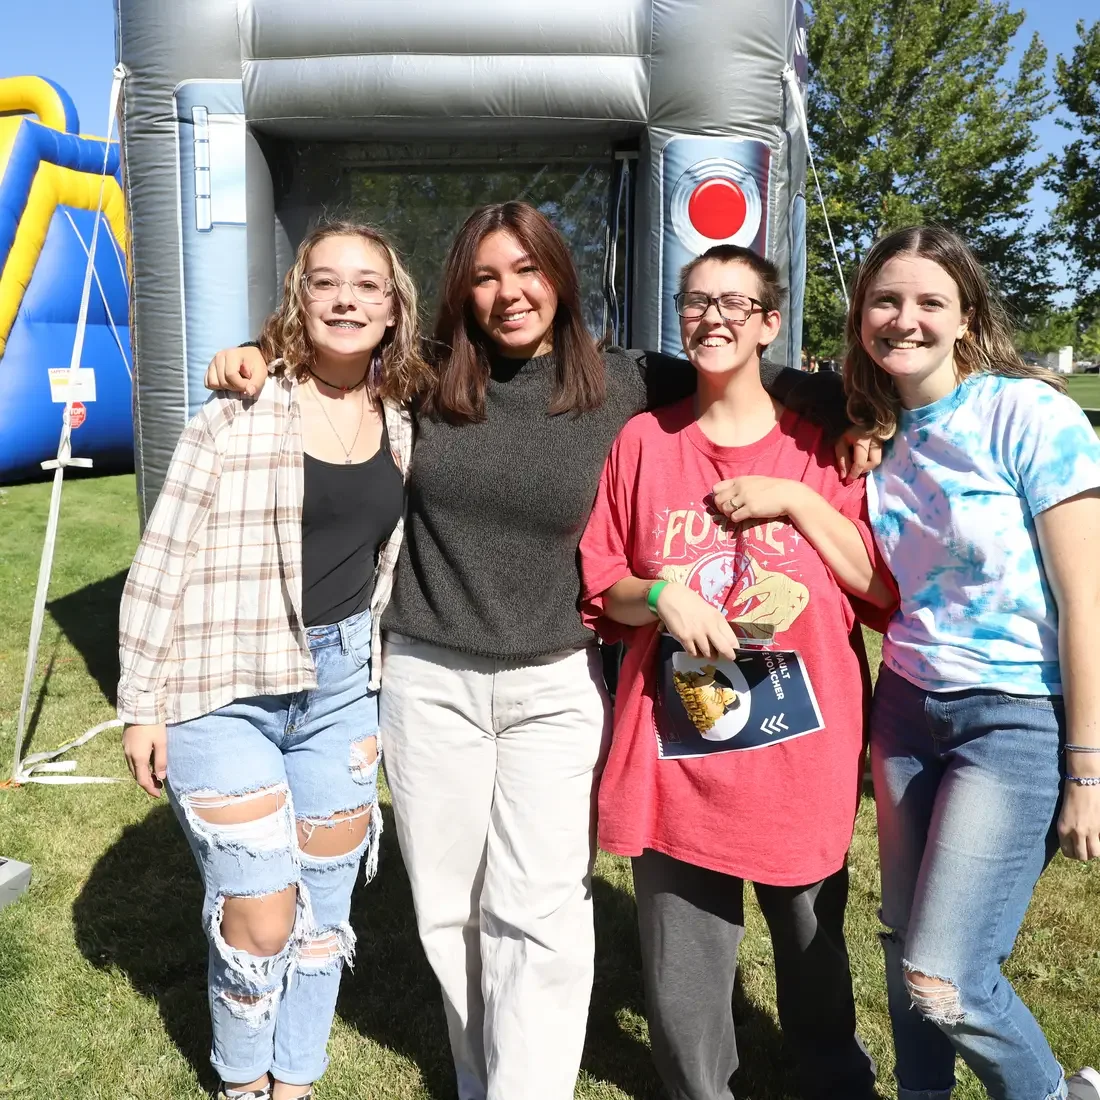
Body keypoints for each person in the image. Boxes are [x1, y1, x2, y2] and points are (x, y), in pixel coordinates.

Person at [204, 201, 855, 1100]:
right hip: (430, 679)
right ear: (462, 292)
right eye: (486, 275)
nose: (510, 292)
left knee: (540, 911)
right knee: (448, 912)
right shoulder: (423, 380)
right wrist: (254, 350)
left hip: (556, 681)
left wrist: (838, 400)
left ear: (560, 277)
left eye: (528, 270)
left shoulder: (624, 380)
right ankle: (480, 1078)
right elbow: (333, 351)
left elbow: (737, 363)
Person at [118, 221, 429, 1100]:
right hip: (225, 687)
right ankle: (240, 1080)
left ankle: (295, 1080)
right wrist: (144, 701)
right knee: (261, 915)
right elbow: (161, 559)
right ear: (299, 299)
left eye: (367, 285)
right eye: (325, 282)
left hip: (341, 692)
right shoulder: (237, 411)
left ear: (394, 307)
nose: (345, 299)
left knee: (325, 917)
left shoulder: (404, 421)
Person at [578, 243, 894, 1100]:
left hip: (801, 749)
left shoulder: (828, 447)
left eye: (733, 302)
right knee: (684, 977)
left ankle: (835, 1083)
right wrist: (661, 595)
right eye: (694, 301)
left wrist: (798, 498)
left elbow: (880, 591)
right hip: (679, 749)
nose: (711, 316)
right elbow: (605, 584)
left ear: (768, 323)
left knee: (814, 949)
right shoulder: (645, 442)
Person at [830, 225, 1100, 1100]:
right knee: (904, 936)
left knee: (943, 977)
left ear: (966, 316)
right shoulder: (877, 436)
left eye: (928, 302)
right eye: (885, 300)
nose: (903, 319)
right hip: (907, 709)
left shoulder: (1029, 414)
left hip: (1014, 719)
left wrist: (1088, 768)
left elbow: (1086, 601)